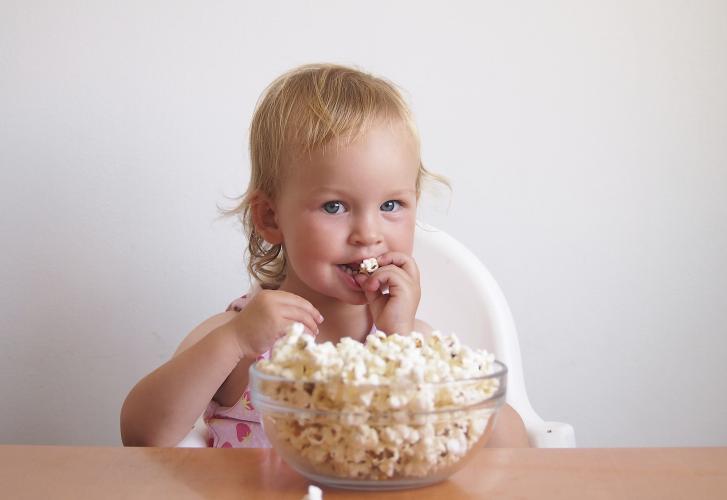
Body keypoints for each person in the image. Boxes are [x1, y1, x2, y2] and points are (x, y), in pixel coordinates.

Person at [120, 63, 529, 448]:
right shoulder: (239, 337)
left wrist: (405, 349)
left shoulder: (410, 341)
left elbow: (513, 445)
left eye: (391, 205)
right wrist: (234, 340)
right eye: (335, 206)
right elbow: (142, 434)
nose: (368, 235)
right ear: (270, 217)